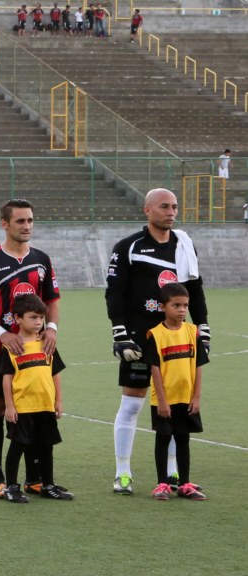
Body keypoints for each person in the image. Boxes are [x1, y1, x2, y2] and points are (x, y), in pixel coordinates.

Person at [104, 188, 208, 495]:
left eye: (174, 207)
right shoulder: (129, 246)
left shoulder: (184, 244)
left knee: (177, 404)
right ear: (147, 210)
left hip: (176, 338)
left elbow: (195, 289)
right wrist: (119, 332)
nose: (171, 212)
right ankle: (123, 473)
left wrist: (202, 326)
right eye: (164, 206)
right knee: (132, 402)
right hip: (140, 337)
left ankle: (173, 472)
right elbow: (114, 292)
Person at [0, 199, 59, 497]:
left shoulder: (41, 259)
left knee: (35, 407)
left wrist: (52, 328)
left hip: (35, 349)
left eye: (30, 220)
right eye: (20, 221)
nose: (27, 226)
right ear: (4, 224)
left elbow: (52, 300)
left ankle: (34, 478)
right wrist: (2, 333)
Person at [0, 294, 70, 504]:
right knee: (17, 447)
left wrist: (58, 401)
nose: (38, 322)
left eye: (41, 318)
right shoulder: (12, 347)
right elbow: (7, 378)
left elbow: (55, 373)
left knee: (46, 446)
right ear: (17, 318)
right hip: (23, 408)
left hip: (45, 406)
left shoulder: (47, 344)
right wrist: (9, 406)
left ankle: (48, 485)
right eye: (33, 317)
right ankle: (11, 487)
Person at [143, 283, 208, 501]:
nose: (182, 310)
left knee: (183, 438)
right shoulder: (155, 335)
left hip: (186, 398)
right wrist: (162, 401)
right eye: (176, 305)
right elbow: (155, 370)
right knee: (163, 438)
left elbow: (198, 365)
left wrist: (196, 397)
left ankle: (184, 484)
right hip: (164, 400)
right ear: (162, 307)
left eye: (185, 306)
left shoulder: (192, 331)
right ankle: (162, 484)